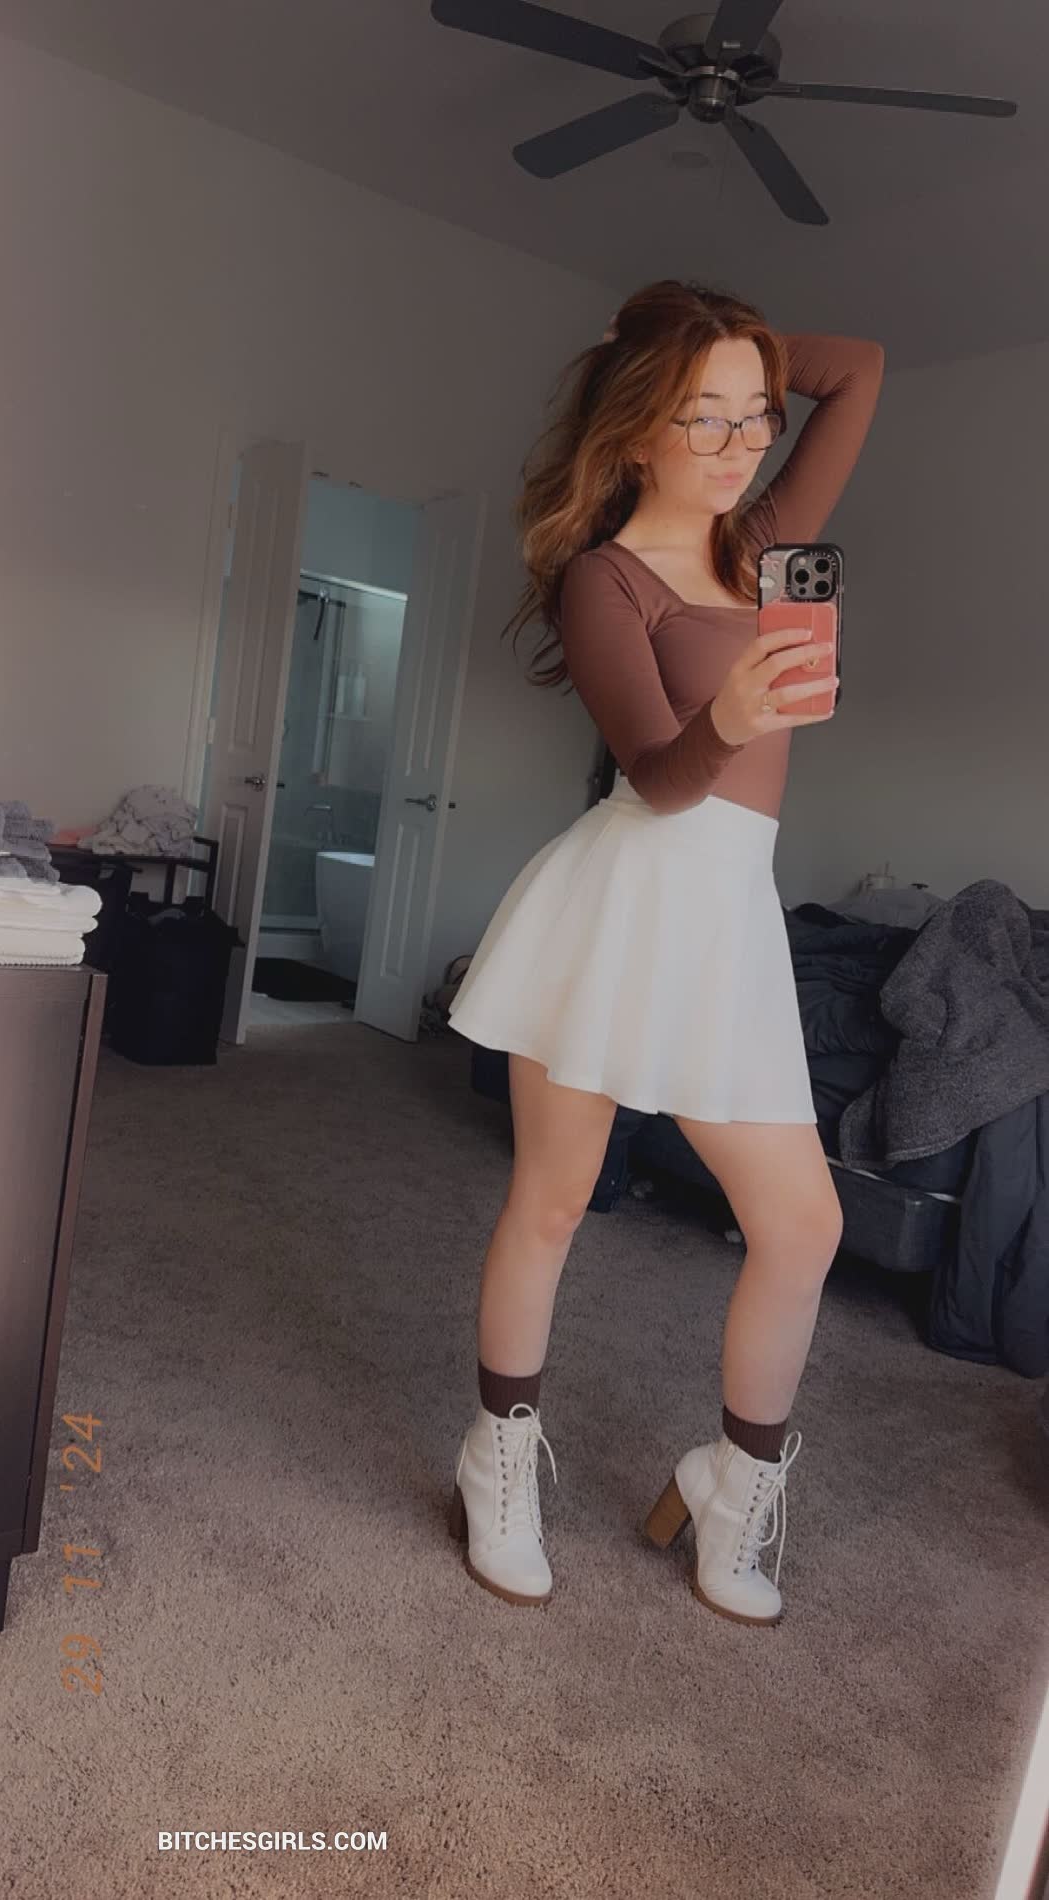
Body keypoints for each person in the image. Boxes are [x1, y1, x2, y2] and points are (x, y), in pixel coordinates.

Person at [445, 279, 885, 1626]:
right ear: (637, 428)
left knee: (803, 1224)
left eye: (754, 414)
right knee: (553, 1201)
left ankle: (730, 1483)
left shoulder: (770, 544)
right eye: (702, 415)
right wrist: (732, 715)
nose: (740, 441)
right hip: (624, 897)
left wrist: (704, 336)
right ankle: (495, 1458)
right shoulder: (605, 579)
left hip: (730, 915)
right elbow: (656, 776)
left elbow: (858, 367)